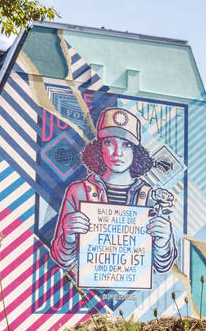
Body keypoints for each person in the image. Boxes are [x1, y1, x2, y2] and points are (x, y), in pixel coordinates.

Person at [51, 107, 177, 274]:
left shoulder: (152, 198)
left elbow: (163, 266)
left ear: (136, 152)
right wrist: (68, 239)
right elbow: (62, 260)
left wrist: (162, 244)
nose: (118, 153)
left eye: (126, 145)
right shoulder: (78, 191)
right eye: (109, 143)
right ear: (98, 148)